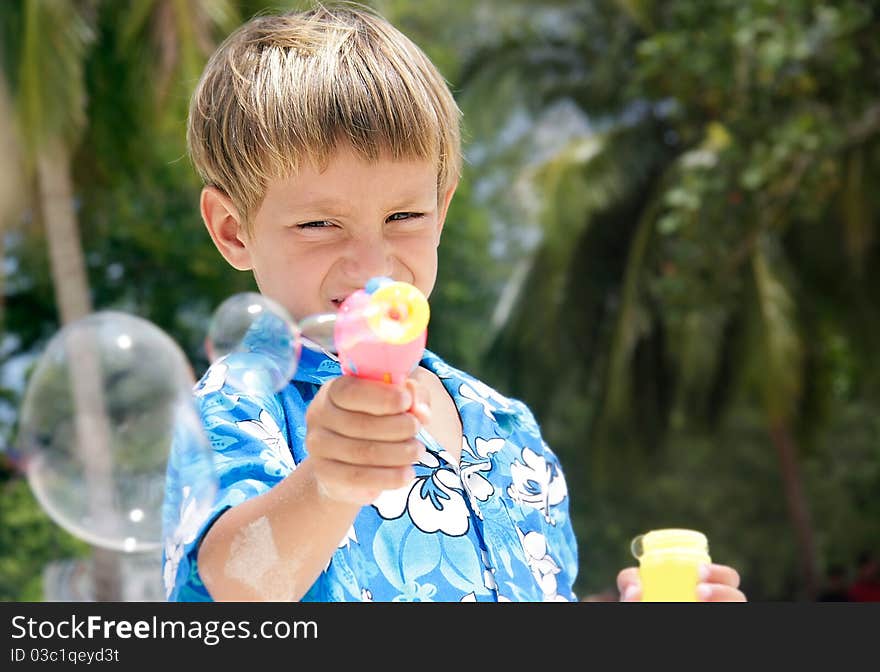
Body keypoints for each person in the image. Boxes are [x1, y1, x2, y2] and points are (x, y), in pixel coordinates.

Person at [161, 2, 746, 603]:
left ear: (441, 210)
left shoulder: (507, 428)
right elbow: (231, 587)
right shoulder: (245, 399)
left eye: (404, 216)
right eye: (318, 224)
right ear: (234, 231)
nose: (373, 263)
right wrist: (330, 482)